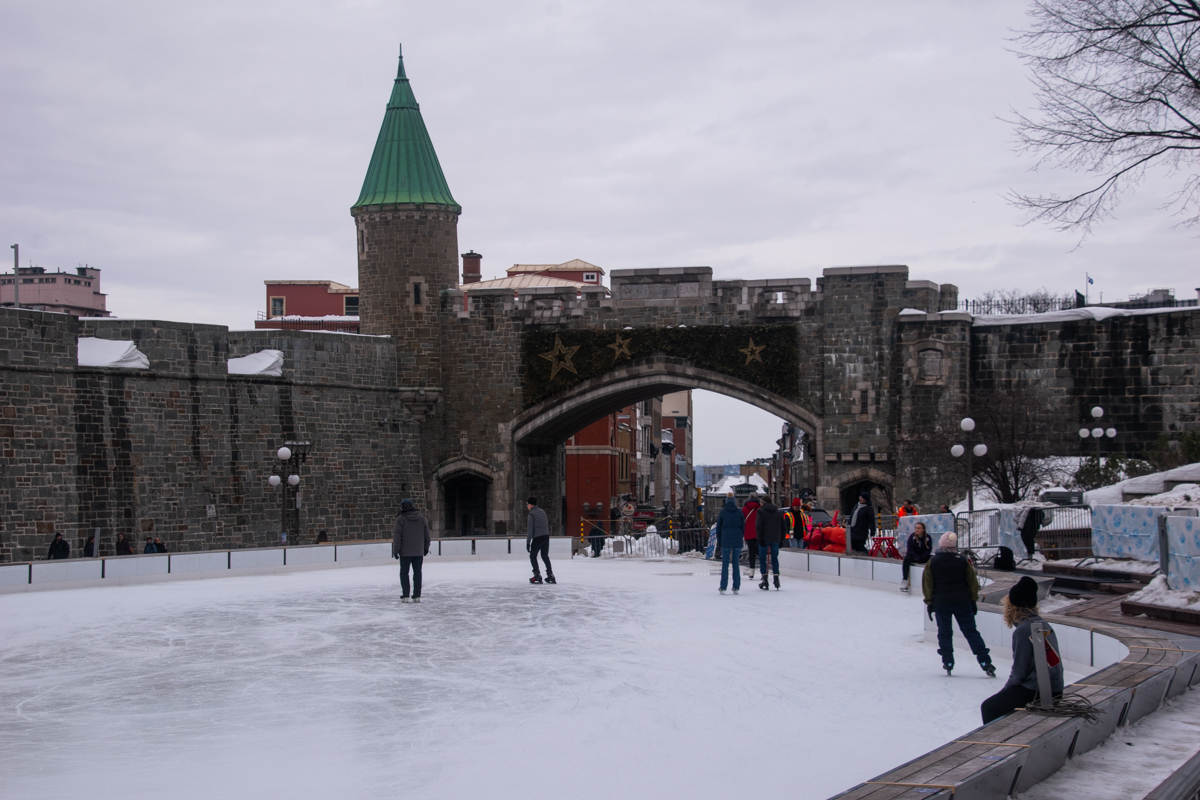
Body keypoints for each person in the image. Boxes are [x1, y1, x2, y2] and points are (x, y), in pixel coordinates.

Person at [981, 576, 1063, 723]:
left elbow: (1019, 672)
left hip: (1038, 691)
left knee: (989, 707)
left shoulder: (1024, 630)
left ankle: (999, 743)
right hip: (1054, 688)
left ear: (1013, 607)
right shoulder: (1042, 624)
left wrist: (1005, 692)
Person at [923, 533, 995, 677]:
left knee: (944, 631)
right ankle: (984, 661)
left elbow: (927, 584)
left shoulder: (933, 561)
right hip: (962, 602)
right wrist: (973, 600)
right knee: (970, 631)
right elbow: (973, 583)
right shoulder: (963, 561)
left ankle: (948, 661)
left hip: (941, 603)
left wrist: (930, 602)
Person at [391, 498, 431, 603]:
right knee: (417, 573)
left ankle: (405, 595)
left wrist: (396, 550)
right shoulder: (422, 518)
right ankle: (417, 595)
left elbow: (397, 536)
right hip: (418, 551)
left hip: (405, 552)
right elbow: (427, 534)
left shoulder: (400, 519)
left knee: (404, 573)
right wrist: (426, 547)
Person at [715, 493, 744, 595]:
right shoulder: (739, 513)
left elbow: (718, 528)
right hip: (737, 540)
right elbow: (743, 527)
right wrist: (740, 537)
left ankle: (723, 586)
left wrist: (720, 540)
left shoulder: (723, 513)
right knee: (736, 563)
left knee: (725, 564)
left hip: (725, 540)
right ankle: (736, 586)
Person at [755, 495, 786, 590]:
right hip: (775, 538)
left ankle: (765, 579)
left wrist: (759, 538)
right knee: (774, 559)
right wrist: (781, 539)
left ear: (763, 503)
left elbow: (758, 526)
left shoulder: (760, 511)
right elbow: (783, 527)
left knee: (763, 558)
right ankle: (776, 578)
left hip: (764, 539)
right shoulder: (778, 512)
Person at [526, 496, 554, 585]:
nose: (527, 506)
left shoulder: (531, 514)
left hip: (538, 537)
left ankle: (537, 575)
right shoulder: (542, 511)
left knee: (532, 556)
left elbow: (530, 530)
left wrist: (528, 542)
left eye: (527, 504)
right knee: (545, 556)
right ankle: (550, 575)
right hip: (546, 536)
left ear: (530, 505)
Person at [900, 521, 933, 593]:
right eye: (916, 528)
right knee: (906, 559)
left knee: (933, 559)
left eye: (919, 528)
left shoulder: (927, 537)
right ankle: (905, 580)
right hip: (914, 555)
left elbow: (928, 549)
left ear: (923, 530)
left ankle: (933, 580)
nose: (917, 530)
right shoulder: (912, 537)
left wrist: (923, 557)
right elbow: (910, 550)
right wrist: (917, 557)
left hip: (923, 556)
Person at [741, 493, 761, 579]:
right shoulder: (760, 508)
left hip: (749, 533)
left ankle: (752, 571)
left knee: (751, 552)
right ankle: (762, 570)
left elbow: (742, 522)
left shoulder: (744, 509)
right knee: (760, 552)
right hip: (759, 532)